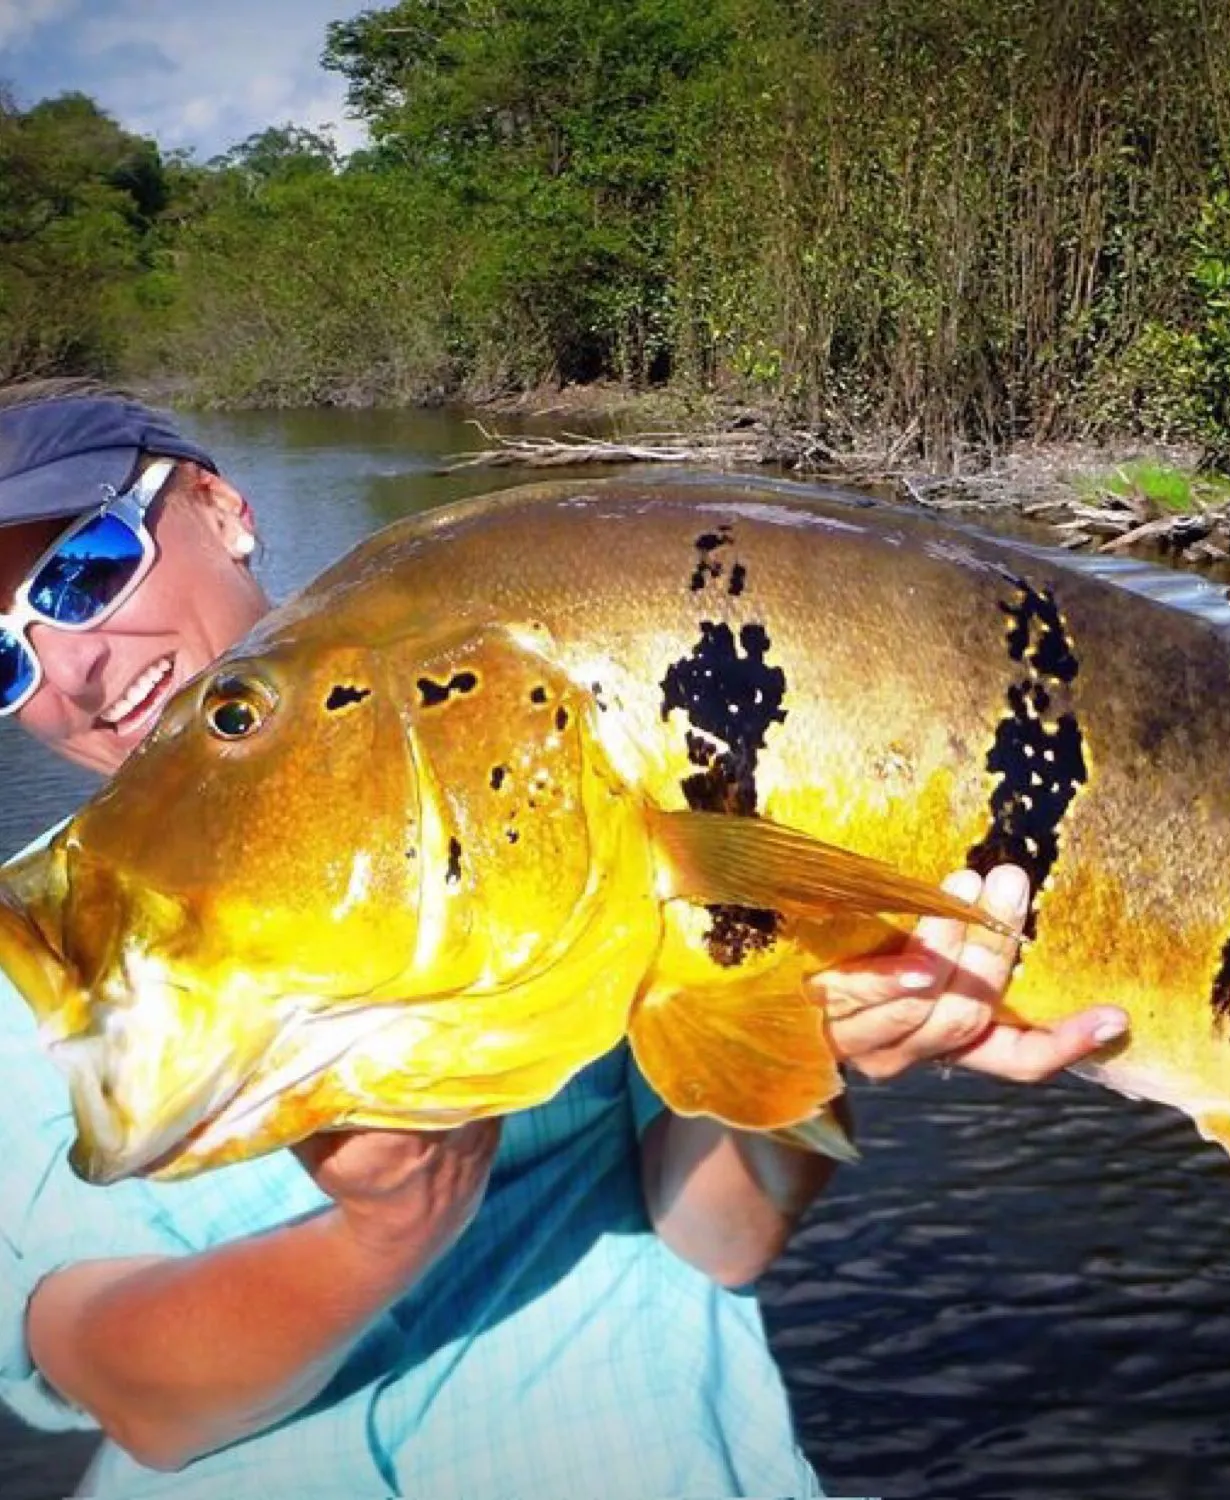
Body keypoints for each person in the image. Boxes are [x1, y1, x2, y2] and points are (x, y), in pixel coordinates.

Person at [0, 380, 1128, 1498]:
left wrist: (824, 1033)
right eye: (3, 662)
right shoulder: (50, 943)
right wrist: (385, 1230)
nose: (69, 672)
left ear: (217, 505)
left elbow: (717, 1240)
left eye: (85, 572)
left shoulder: (549, 756)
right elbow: (126, 1392)